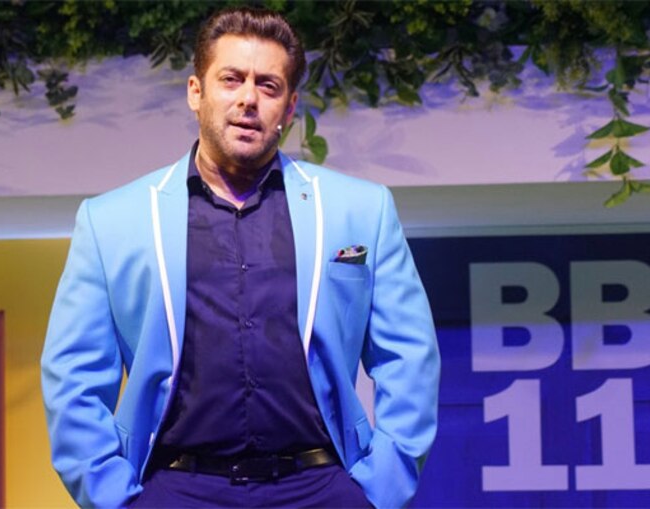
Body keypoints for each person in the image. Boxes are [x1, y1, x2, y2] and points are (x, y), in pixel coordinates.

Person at [41, 7, 439, 509]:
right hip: (174, 489)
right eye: (231, 79)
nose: (249, 98)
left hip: (320, 487)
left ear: (289, 108)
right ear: (196, 92)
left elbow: (409, 357)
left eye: (268, 86)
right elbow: (74, 378)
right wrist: (116, 499)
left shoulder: (361, 210)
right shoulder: (111, 221)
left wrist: (378, 490)